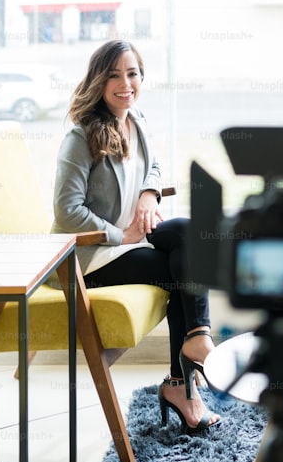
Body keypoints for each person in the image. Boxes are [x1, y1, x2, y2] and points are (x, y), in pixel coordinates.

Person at [52, 39, 221, 435]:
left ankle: (196, 341)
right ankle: (183, 384)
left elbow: (154, 165)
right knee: (180, 268)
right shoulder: (80, 138)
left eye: (132, 74)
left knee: (191, 233)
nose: (125, 83)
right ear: (98, 80)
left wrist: (149, 193)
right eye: (114, 75)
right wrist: (120, 235)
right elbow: (66, 210)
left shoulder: (135, 119)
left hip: (132, 239)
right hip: (90, 257)